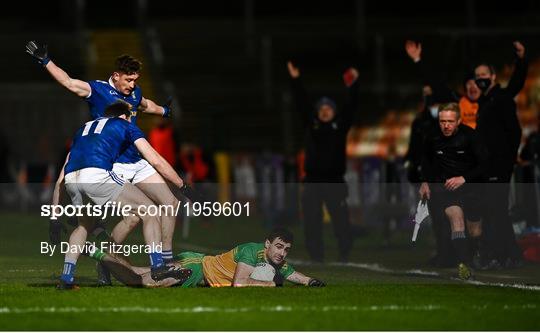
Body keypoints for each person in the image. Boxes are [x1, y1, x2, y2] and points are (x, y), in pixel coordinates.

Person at [26, 41, 197, 284]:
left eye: (135, 80)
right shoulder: (97, 90)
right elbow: (68, 82)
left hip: (135, 158)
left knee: (169, 202)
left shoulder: (133, 92)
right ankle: (108, 261)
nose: (132, 85)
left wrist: (164, 112)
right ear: (115, 76)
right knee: (134, 216)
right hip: (109, 161)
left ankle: (166, 262)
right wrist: (46, 61)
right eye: (128, 80)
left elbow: (145, 104)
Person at [57, 102, 192, 289]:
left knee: (83, 226)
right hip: (96, 174)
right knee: (150, 210)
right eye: (131, 117)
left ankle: (66, 277)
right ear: (124, 116)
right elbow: (155, 160)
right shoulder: (124, 124)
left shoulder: (83, 128)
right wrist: (182, 185)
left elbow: (65, 171)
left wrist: (57, 213)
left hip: (73, 178)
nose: (132, 121)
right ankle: (159, 267)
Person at [287, 61, 358, 263]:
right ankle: (316, 254)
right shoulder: (312, 126)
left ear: (334, 112)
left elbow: (352, 106)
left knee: (341, 220)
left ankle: (344, 251)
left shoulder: (340, 127)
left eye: (329, 108)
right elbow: (301, 102)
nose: (325, 111)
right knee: (311, 220)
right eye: (322, 109)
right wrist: (295, 80)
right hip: (312, 181)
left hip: (335, 180)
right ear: (317, 112)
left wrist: (354, 85)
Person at [86, 227, 325, 288]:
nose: (281, 253)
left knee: (139, 272)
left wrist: (310, 281)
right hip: (195, 267)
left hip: (199, 268)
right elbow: (239, 283)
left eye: (286, 250)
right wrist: (270, 283)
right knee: (141, 282)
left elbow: (292, 273)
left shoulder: (277, 260)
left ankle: (100, 252)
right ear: (267, 244)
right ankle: (94, 252)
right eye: (279, 247)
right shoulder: (252, 252)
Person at [419, 103, 487, 279]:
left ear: (459, 121)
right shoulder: (432, 137)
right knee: (456, 221)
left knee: (474, 232)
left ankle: (475, 252)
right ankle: (463, 265)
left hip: (471, 188)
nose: (446, 125)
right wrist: (425, 181)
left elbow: (485, 164)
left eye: (450, 121)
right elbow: (425, 161)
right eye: (442, 121)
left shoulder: (471, 136)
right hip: (448, 190)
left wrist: (464, 178)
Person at [474, 56, 525, 269]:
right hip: (488, 166)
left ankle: (502, 254)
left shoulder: (501, 98)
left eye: (484, 75)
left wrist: (507, 160)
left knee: (496, 210)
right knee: (494, 210)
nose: (480, 79)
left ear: (493, 76)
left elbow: (515, 131)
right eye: (477, 76)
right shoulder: (485, 101)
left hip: (499, 165)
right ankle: (508, 254)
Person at [404, 40, 527, 129]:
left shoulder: (493, 101)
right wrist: (418, 60)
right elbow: (436, 84)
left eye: (476, 83)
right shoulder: (458, 101)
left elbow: (515, 85)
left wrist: (521, 59)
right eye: (469, 84)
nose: (472, 87)